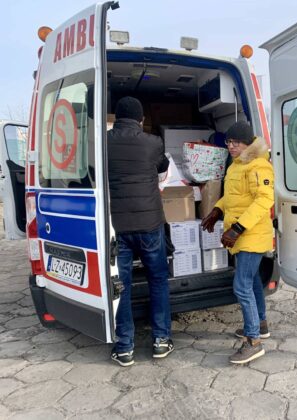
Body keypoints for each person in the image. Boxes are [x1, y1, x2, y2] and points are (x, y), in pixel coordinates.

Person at [201, 121, 274, 364]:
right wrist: (217, 211)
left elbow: (264, 201)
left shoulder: (258, 165)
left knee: (241, 286)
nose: (231, 146)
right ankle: (260, 324)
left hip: (251, 235)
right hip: (240, 235)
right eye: (228, 142)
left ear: (248, 143)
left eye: (236, 142)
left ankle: (253, 341)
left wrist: (238, 228)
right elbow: (233, 197)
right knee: (252, 280)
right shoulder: (237, 164)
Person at [107, 96, 173, 366]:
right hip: (149, 226)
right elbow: (163, 167)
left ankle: (124, 346)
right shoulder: (153, 142)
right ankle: (160, 340)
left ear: (115, 118)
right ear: (141, 120)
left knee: (120, 286)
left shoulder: (102, 144)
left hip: (118, 228)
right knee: (157, 279)